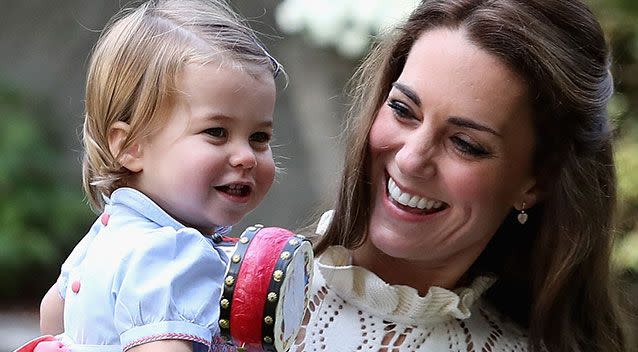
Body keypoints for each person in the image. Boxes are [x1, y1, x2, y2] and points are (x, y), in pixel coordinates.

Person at [291, 0, 630, 351]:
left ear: (538, 180)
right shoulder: (242, 280)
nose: (410, 160)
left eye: (466, 144)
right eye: (402, 109)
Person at [34, 0, 283, 351]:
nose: (245, 156)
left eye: (259, 138)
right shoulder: (173, 253)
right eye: (216, 132)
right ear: (132, 146)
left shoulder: (111, 230)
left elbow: (53, 315)